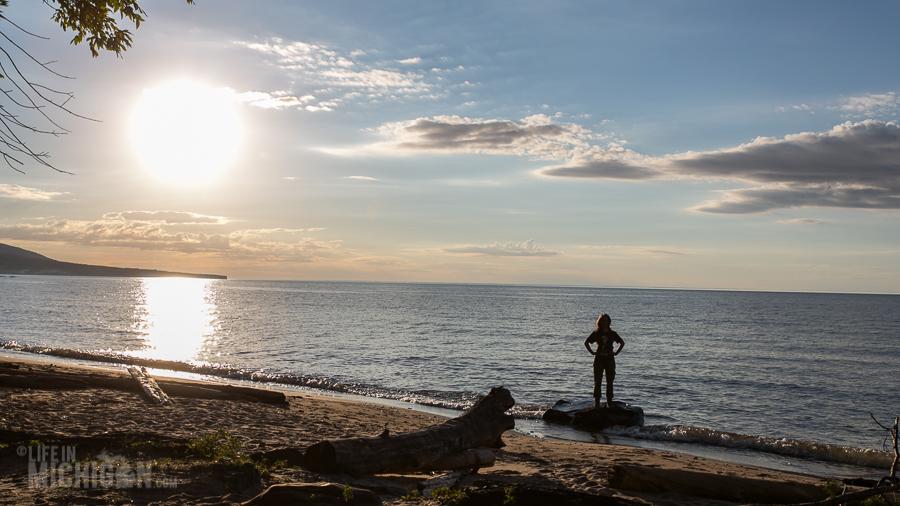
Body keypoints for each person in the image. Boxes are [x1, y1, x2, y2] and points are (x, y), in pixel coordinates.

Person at [583, 313, 625, 408]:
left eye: (606, 321)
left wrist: (616, 352)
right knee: (597, 381)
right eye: (603, 321)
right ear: (600, 322)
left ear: (609, 322)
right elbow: (586, 342)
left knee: (609, 381)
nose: (605, 322)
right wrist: (592, 352)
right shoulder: (596, 333)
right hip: (598, 360)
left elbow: (622, 343)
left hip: (609, 360)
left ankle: (609, 402)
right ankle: (597, 402)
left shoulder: (612, 334)